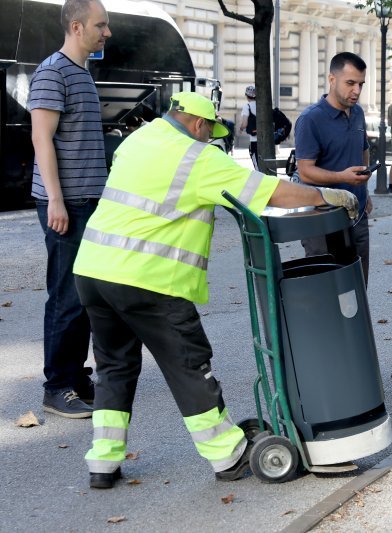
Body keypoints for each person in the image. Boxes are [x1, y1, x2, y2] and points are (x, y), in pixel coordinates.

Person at [72, 92, 358, 489]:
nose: (210, 140)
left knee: (114, 367)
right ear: (198, 124)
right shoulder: (197, 157)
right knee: (189, 364)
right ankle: (228, 455)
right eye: (209, 132)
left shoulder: (137, 139)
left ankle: (103, 462)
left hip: (93, 270)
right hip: (148, 277)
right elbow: (272, 192)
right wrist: (327, 195)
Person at [29, 0, 112, 419]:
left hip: (89, 203)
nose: (107, 32)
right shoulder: (52, 72)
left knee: (84, 297)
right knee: (65, 298)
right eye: (101, 25)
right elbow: (41, 140)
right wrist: (56, 201)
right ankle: (56, 386)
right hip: (67, 205)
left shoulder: (81, 73)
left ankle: (77, 379)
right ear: (77, 27)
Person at [294, 52, 373, 285]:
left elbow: (363, 149)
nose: (357, 91)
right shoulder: (311, 119)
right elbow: (306, 171)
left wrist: (365, 188)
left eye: (361, 84)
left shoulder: (358, 113)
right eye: (350, 83)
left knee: (357, 286)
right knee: (326, 289)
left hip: (356, 214)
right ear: (332, 79)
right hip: (322, 219)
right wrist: (343, 178)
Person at [240, 85, 258, 168]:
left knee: (257, 164)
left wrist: (241, 128)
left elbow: (244, 123)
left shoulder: (247, 106)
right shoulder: (262, 106)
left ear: (247, 96)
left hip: (254, 140)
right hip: (264, 140)